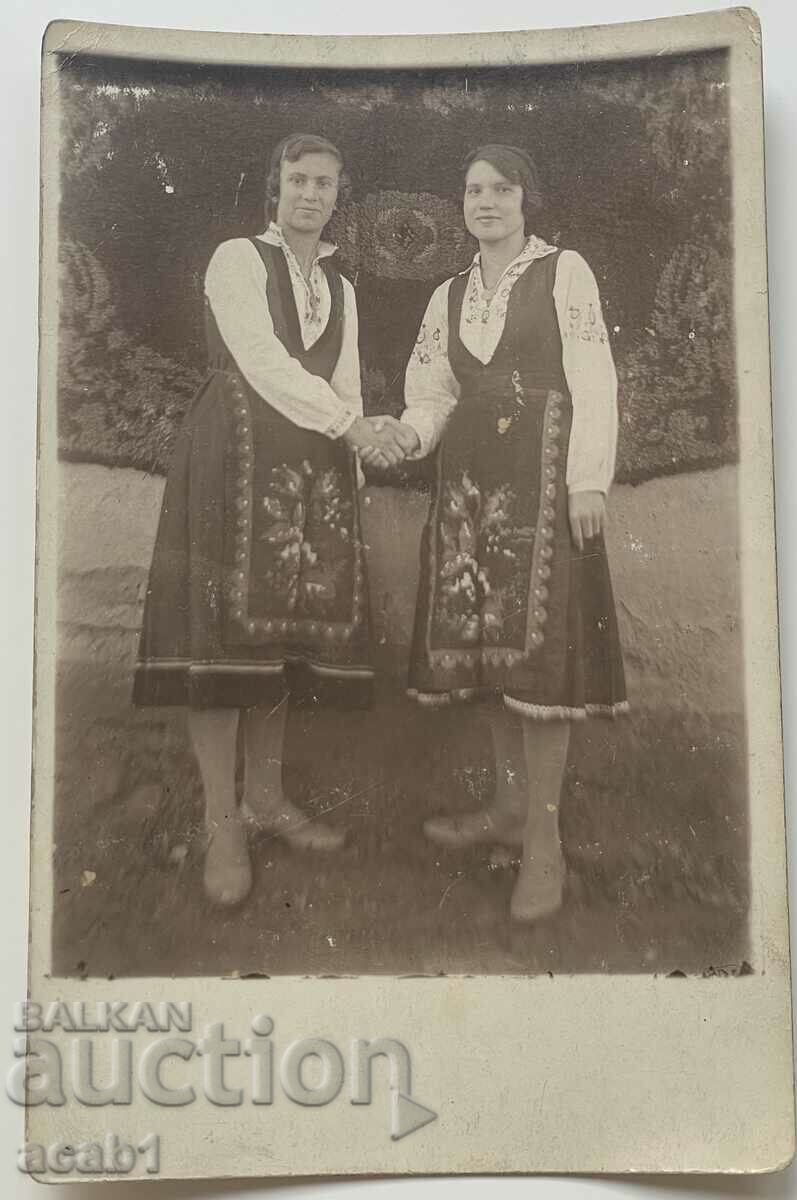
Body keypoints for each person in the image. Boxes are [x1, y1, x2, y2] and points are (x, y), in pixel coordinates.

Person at [134, 132, 409, 907]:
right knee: (222, 642)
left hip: (311, 470)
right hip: (234, 455)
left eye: (324, 182)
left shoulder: (342, 289)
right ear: (274, 188)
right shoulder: (235, 261)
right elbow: (260, 359)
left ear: (337, 196)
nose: (310, 194)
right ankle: (222, 823)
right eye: (298, 179)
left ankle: (267, 800)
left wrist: (354, 466)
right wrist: (349, 428)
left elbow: (346, 385)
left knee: (281, 640)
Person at [362, 144, 627, 922]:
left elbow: (594, 374)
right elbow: (431, 393)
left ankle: (541, 846)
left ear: (524, 199)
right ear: (461, 204)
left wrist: (587, 480)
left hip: (545, 482)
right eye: (473, 190)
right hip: (472, 486)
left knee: (540, 665)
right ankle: (507, 811)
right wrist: (406, 440)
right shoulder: (446, 294)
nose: (485, 202)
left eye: (500, 189)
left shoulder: (563, 271)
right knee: (486, 651)